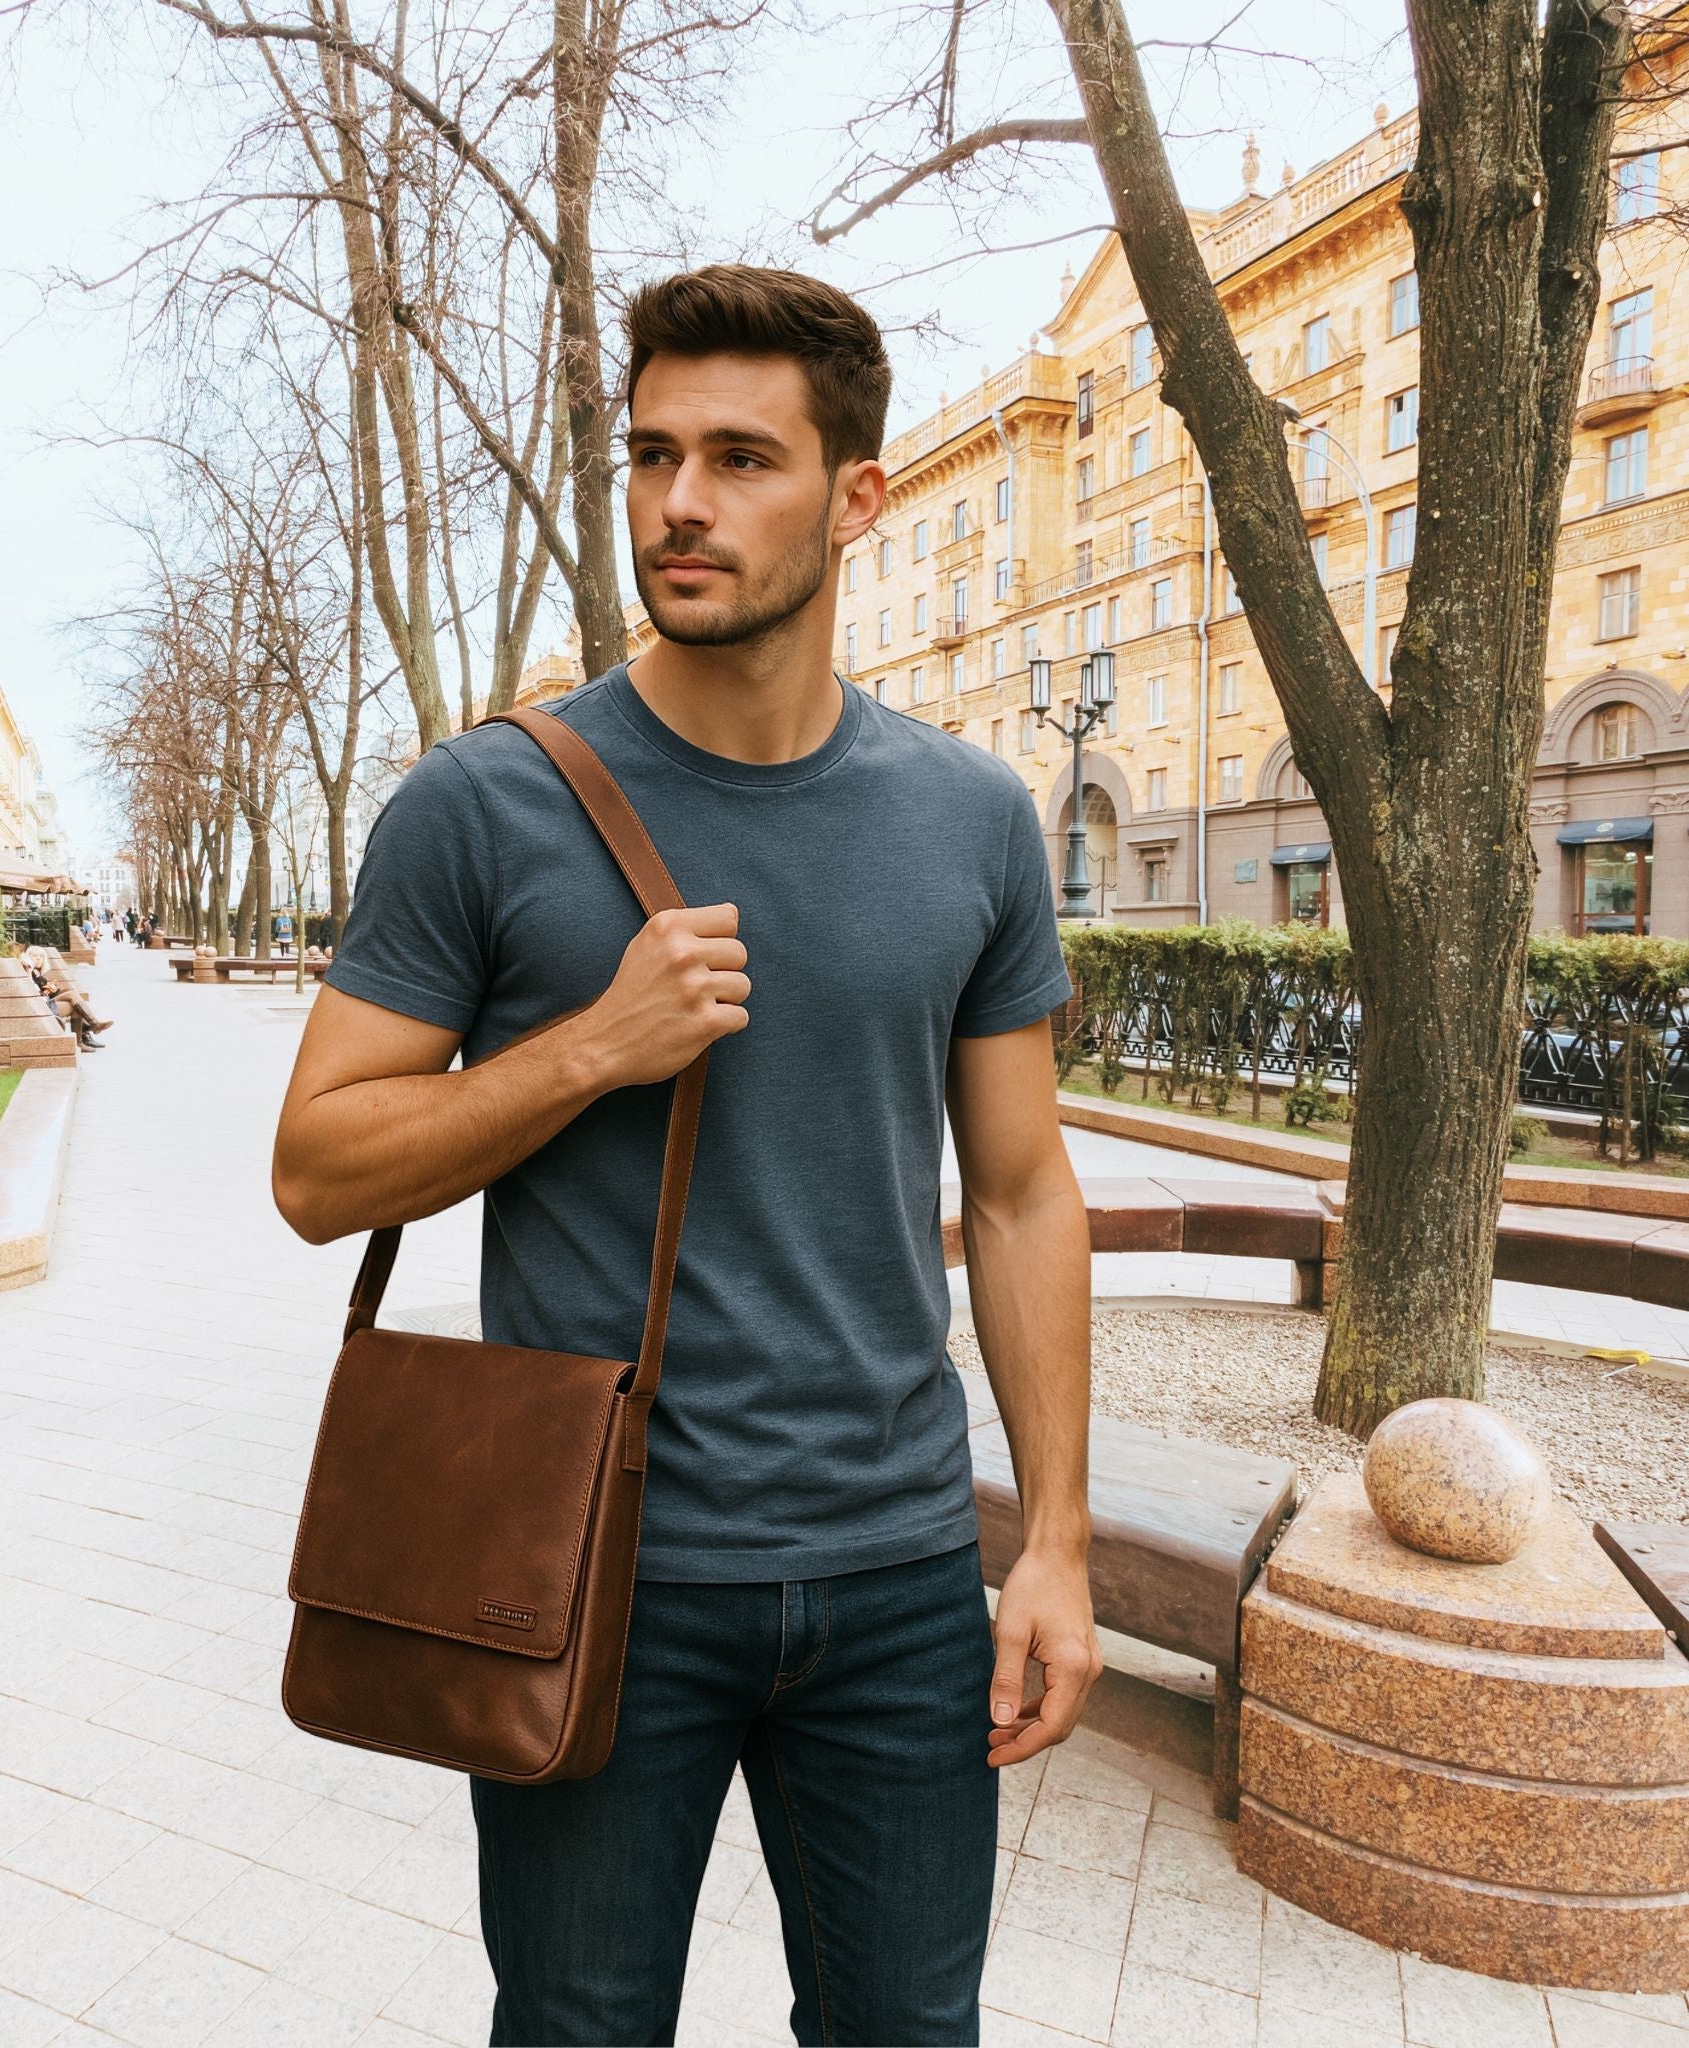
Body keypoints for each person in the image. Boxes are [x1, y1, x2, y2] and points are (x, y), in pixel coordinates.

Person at [271, 266, 1097, 2046]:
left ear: (855, 493)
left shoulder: (968, 819)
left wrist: (1053, 1546)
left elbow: (1024, 1188)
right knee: (576, 2026)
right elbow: (318, 1166)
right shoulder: (485, 803)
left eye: (739, 457)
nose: (679, 505)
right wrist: (589, 1047)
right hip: (593, 1565)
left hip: (893, 1567)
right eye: (650, 455)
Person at [20, 942, 113, 1050]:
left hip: (46, 1003)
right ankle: (92, 1025)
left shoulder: (37, 974)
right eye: (34, 956)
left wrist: (52, 988)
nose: (38, 958)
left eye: (41, 956)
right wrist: (28, 970)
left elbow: (50, 992)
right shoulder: (27, 972)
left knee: (73, 1001)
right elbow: (30, 989)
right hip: (41, 1007)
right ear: (27, 957)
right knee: (72, 995)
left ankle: (81, 1040)